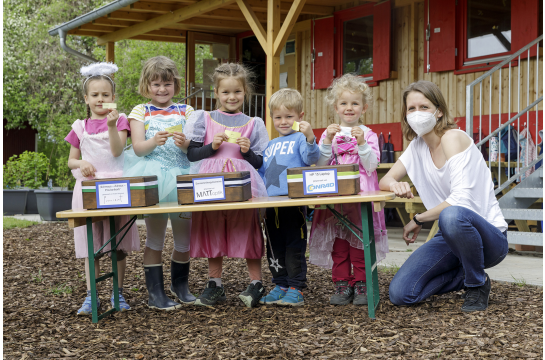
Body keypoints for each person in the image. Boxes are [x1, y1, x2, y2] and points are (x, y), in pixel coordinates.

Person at [379, 80, 508, 312]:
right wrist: (395, 185)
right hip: (450, 238)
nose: (417, 113)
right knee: (402, 294)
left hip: (488, 237)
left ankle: (476, 284)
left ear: (439, 111)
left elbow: (460, 201)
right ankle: (469, 273)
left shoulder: (453, 137)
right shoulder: (417, 146)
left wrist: (419, 219)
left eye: (424, 107)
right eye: (411, 109)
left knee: (451, 214)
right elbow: (385, 180)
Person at [184, 63, 269, 308]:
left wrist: (246, 151)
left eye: (237, 92)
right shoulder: (204, 118)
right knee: (212, 226)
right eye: (226, 92)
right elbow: (192, 154)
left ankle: (256, 283)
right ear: (216, 92)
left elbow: (259, 161)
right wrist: (212, 147)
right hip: (210, 182)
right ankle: (215, 284)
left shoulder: (254, 123)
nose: (232, 97)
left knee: (247, 227)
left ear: (245, 92)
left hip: (243, 184)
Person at [65, 62, 140, 315]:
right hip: (88, 189)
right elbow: (71, 160)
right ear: (86, 98)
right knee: (92, 245)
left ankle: (117, 294)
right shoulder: (79, 126)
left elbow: (117, 151)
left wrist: (110, 126)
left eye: (105, 95)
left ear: (113, 97)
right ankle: (91, 295)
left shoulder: (119, 121)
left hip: (115, 187)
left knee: (117, 243)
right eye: (95, 95)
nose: (100, 99)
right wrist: (82, 163)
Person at [309, 74, 388, 306]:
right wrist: (326, 142)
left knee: (360, 240)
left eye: (354, 103)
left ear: (363, 108)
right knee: (338, 242)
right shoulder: (328, 133)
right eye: (344, 103)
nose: (349, 108)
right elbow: (320, 164)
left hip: (360, 195)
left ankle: (363, 284)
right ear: (336, 107)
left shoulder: (368, 134)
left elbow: (372, 165)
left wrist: (362, 143)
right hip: (334, 194)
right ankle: (342, 284)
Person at [124, 56, 195, 310]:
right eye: (156, 84)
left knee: (184, 240)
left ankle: (180, 287)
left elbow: (195, 147)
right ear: (146, 86)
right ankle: (155, 294)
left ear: (176, 85)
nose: (162, 89)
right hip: (154, 179)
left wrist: (184, 143)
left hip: (183, 177)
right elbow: (139, 148)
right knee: (154, 239)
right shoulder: (140, 111)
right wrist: (155, 141)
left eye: (167, 84)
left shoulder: (186, 111)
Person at [257, 88, 320, 306]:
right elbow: (262, 173)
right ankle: (280, 284)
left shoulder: (301, 139)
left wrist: (310, 136)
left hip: (293, 203)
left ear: (300, 117)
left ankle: (296, 288)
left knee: (294, 245)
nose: (283, 122)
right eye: (278, 117)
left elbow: (311, 158)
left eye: (289, 117)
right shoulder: (270, 145)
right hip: (270, 205)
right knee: (274, 245)